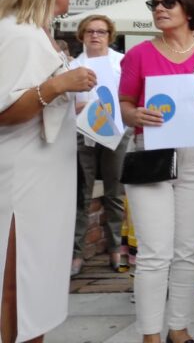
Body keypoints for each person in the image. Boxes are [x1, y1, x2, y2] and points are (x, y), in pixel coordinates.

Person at [118, 0, 194, 343]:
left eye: (168, 2)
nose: (159, 8)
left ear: (189, 9)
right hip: (150, 154)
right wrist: (135, 115)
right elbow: (124, 105)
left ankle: (179, 330)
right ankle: (150, 335)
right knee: (154, 251)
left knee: (189, 250)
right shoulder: (138, 55)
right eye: (154, 3)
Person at [0, 0, 95, 343]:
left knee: (37, 278)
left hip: (45, 172)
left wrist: (70, 98)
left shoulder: (37, 34)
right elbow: (5, 111)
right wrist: (58, 86)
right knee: (18, 278)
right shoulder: (16, 34)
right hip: (23, 176)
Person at [69, 14, 127, 276]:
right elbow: (63, 104)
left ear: (109, 36)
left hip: (116, 131)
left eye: (101, 31)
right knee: (81, 193)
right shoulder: (73, 66)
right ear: (82, 35)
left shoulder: (121, 62)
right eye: (90, 31)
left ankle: (116, 248)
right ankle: (76, 253)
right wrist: (76, 108)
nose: (95, 35)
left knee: (115, 192)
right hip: (83, 132)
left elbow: (129, 97)